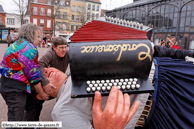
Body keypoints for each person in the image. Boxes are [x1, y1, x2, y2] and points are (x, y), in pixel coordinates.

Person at [40, 67, 140, 129]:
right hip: (148, 101)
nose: (44, 70)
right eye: (40, 77)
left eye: (45, 67)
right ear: (40, 95)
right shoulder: (60, 111)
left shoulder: (74, 67)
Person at [0, 24, 49, 122]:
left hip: (8, 84)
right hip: (15, 90)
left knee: (31, 106)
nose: (40, 40)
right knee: (15, 121)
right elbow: (34, 76)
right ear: (30, 35)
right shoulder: (29, 49)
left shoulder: (19, 43)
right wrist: (42, 93)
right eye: (38, 37)